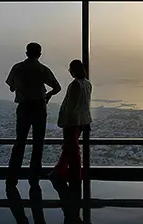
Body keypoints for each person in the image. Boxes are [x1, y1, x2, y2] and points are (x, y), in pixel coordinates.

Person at [5, 42, 61, 187]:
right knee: (38, 143)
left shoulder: (17, 68)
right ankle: (34, 175)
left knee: (19, 142)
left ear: (26, 53)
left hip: (23, 108)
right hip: (39, 108)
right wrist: (47, 95)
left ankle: (12, 176)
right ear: (39, 54)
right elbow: (57, 87)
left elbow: (11, 87)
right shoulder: (42, 69)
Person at [49, 59, 92, 224]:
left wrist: (64, 120)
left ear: (73, 70)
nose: (69, 71)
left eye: (70, 69)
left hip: (72, 120)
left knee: (72, 149)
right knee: (70, 148)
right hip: (82, 120)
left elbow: (70, 105)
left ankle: (73, 175)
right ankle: (58, 171)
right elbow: (85, 104)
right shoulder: (87, 84)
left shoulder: (74, 85)